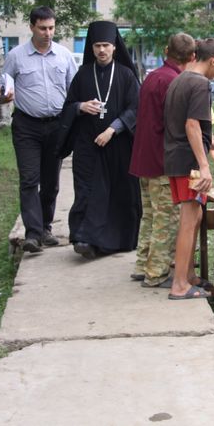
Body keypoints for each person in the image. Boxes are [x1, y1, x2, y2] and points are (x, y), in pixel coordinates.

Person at [0, 6, 77, 253]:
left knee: (51, 182)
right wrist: (2, 97)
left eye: (51, 27)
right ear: (31, 27)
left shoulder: (64, 55)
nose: (48, 33)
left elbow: (75, 91)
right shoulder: (16, 56)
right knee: (29, 179)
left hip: (56, 126)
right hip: (27, 126)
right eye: (43, 28)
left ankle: (45, 227)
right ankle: (32, 233)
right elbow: (0, 90)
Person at [59, 21, 141, 260]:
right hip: (88, 146)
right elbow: (69, 105)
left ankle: (117, 240)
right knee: (87, 191)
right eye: (97, 46)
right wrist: (81, 107)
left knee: (117, 193)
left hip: (118, 146)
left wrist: (113, 129)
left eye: (106, 45)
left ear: (114, 47)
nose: (102, 50)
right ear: (91, 48)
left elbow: (136, 108)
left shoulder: (126, 75)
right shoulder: (83, 75)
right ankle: (85, 239)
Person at [164, 38, 214, 300]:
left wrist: (210, 143)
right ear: (213, 60)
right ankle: (179, 284)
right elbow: (191, 125)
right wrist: (204, 165)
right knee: (189, 221)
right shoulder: (200, 84)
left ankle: (188, 275)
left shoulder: (180, 79)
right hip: (188, 162)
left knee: (197, 216)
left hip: (176, 157)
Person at [130, 33, 195, 286]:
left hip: (143, 158)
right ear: (191, 57)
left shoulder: (152, 76)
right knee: (166, 218)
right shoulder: (175, 82)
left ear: (166, 50)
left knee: (150, 215)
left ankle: (142, 263)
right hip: (163, 162)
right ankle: (156, 273)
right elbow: (178, 126)